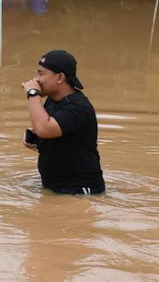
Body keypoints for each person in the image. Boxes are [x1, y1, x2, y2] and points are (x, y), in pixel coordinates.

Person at [21, 50, 105, 195]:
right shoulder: (52, 100)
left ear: (60, 77)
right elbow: (48, 130)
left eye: (41, 74)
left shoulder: (79, 107)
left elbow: (44, 128)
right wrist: (35, 138)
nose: (37, 80)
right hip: (54, 187)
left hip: (80, 190)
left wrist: (33, 93)